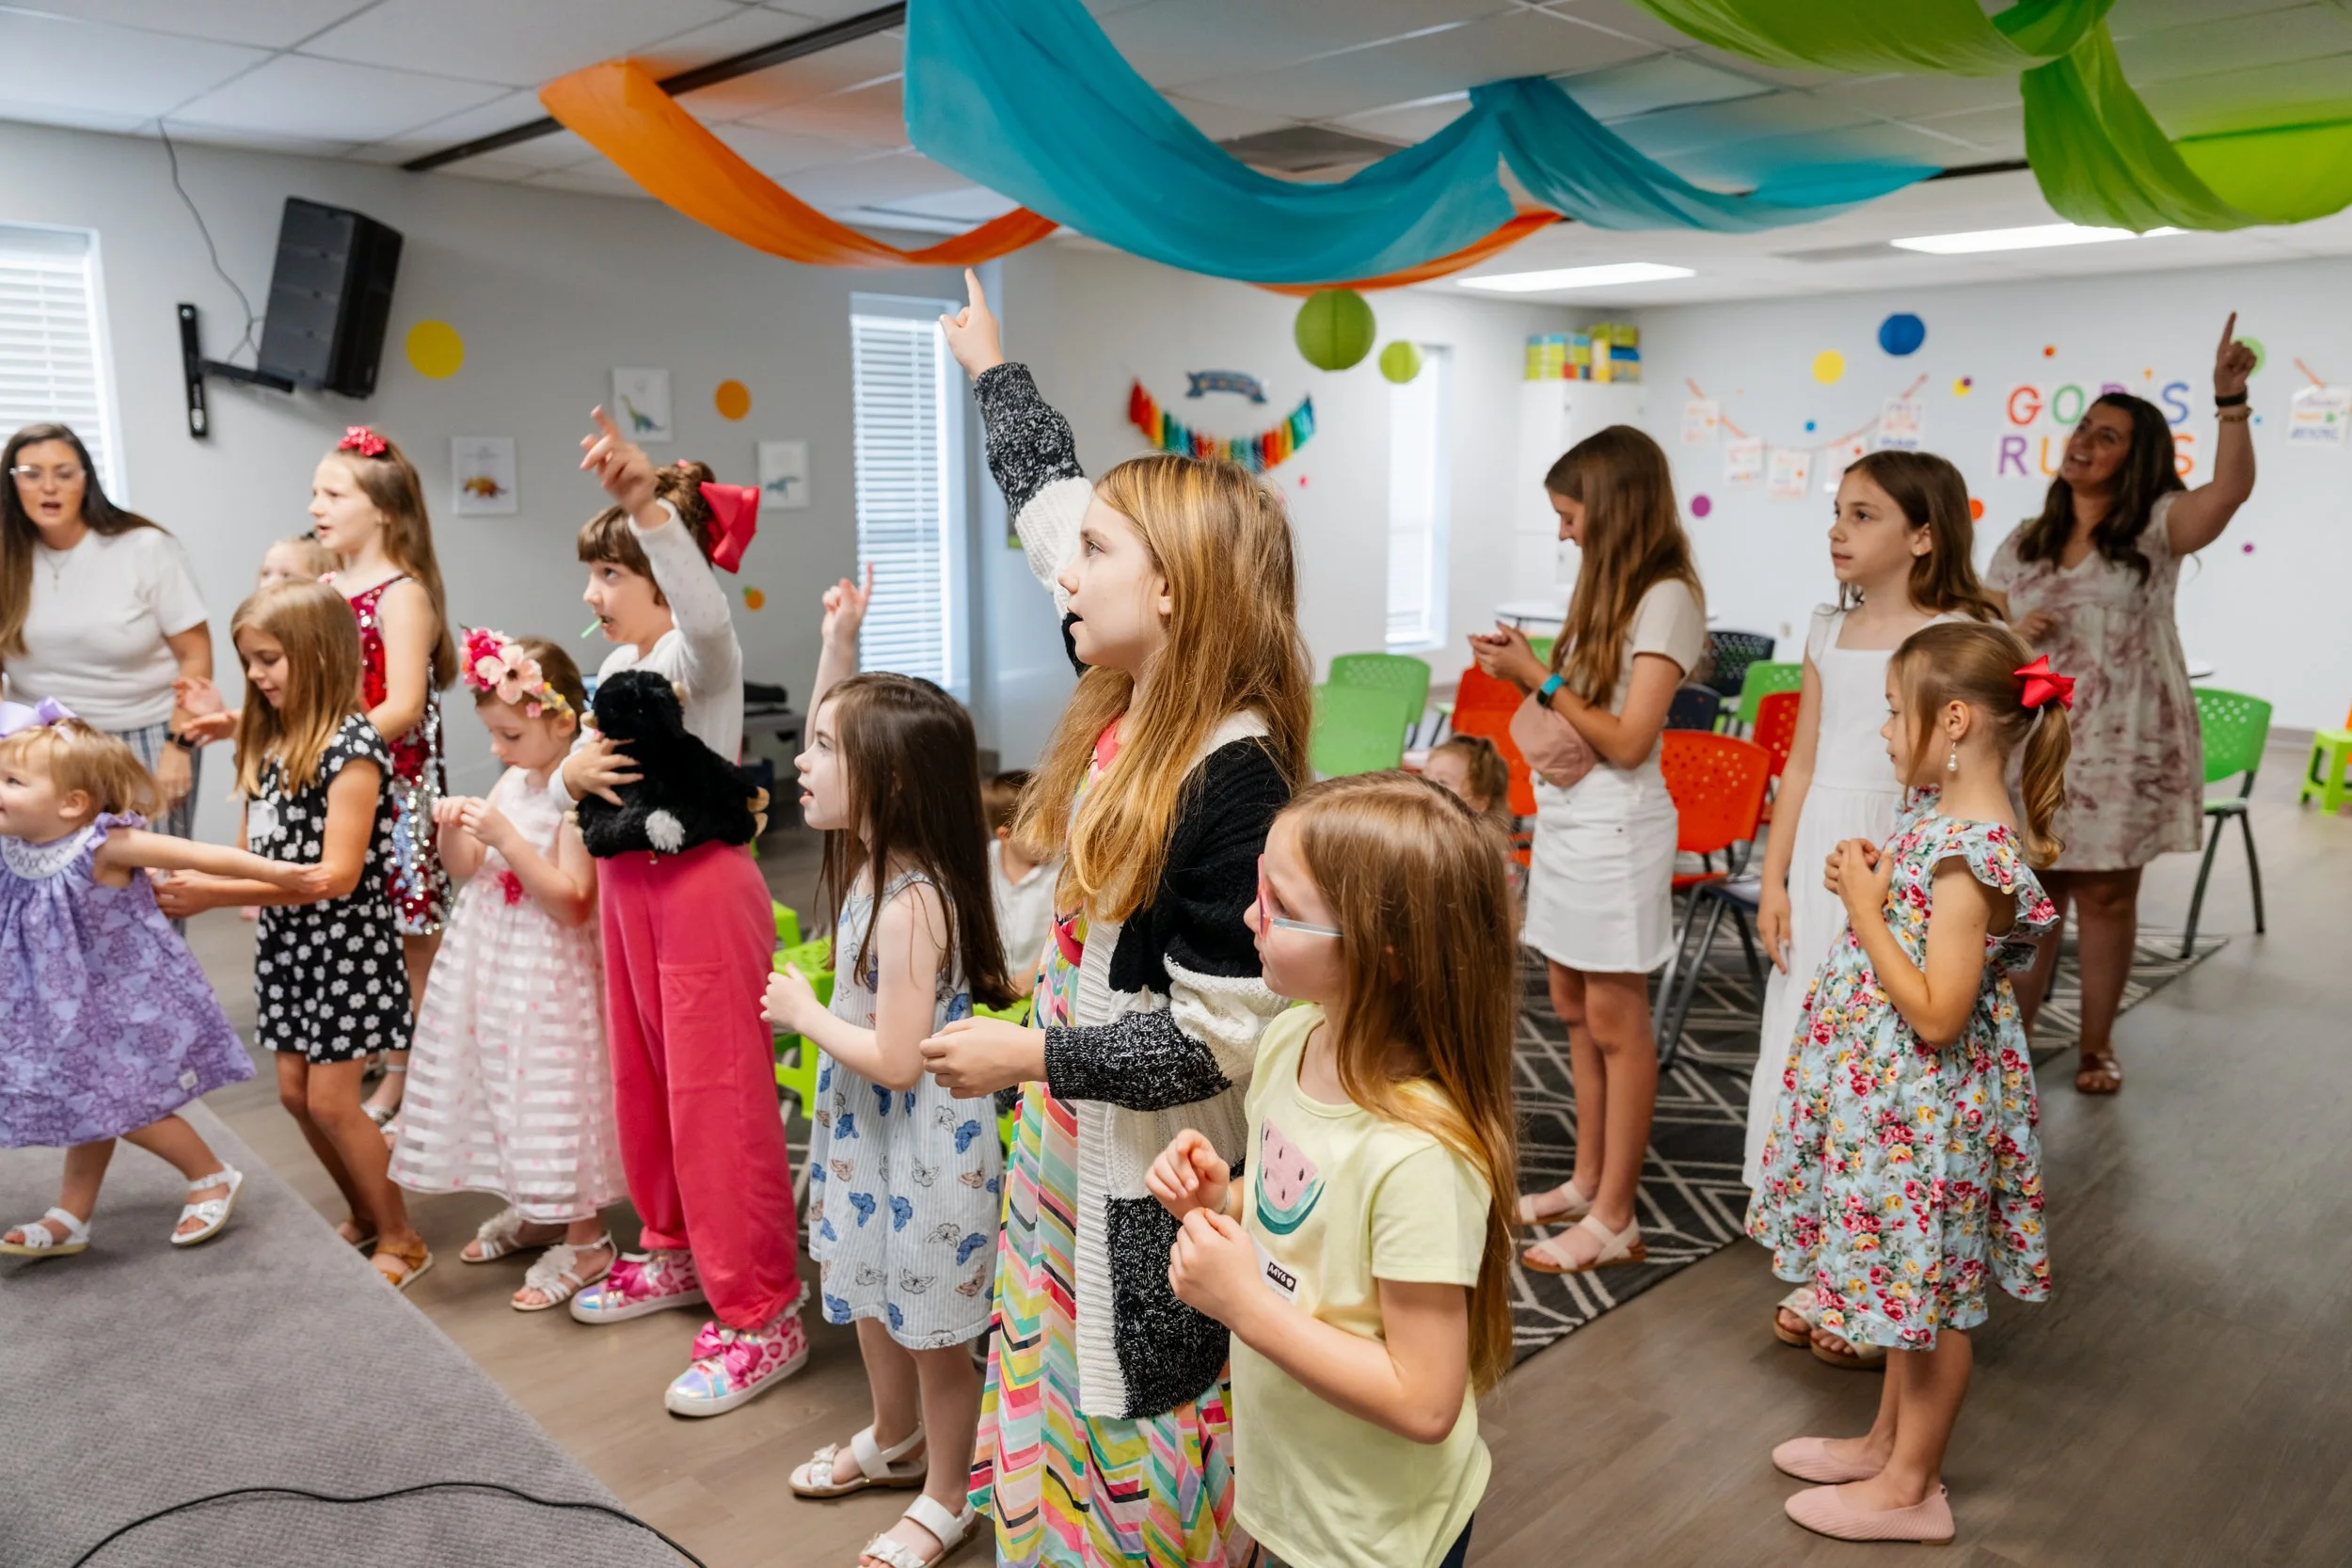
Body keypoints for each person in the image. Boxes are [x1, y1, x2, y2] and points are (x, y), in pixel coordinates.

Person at [918, 270, 1311, 1567]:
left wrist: (1030, 1053)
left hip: (1148, 1161)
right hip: (1073, 1132)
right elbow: (1046, 502)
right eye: (1078, 551)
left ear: (1177, 592)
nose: (1063, 570)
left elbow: (1213, 1042)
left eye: (1097, 555)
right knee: (1061, 1371)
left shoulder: (1234, 776)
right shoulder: (1136, 686)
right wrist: (992, 370)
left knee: (1140, 1397)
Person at [1747, 621, 2065, 1546]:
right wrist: (1878, 884)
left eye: (1894, 712)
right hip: (1898, 1104)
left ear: (1954, 720)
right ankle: (1885, 1444)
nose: (1885, 729)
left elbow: (1936, 1012)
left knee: (1933, 1300)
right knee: (1902, 1282)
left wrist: (1863, 909)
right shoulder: (1937, 821)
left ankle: (1913, 1487)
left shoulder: (1971, 855)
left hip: (1928, 1112)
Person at [1146, 773, 1516, 1568]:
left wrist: (1246, 1305)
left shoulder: (1420, 1157)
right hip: (1298, 1492)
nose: (1250, 916)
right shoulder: (1294, 1039)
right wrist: (1225, 1197)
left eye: (1280, 905)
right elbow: (1304, 1220)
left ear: (1383, 953)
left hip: (1375, 1534)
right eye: (1260, 886)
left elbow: (1425, 1400)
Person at [554, 411, 804, 1420]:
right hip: (629, 888)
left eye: (610, 573)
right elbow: (578, 779)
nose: (592, 593)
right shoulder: (617, 671)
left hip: (700, 886)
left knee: (718, 1097)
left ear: (665, 573)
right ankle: (675, 1247)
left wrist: (645, 509)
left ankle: (762, 1308)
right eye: (594, 573)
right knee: (645, 1081)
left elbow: (706, 621)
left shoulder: (701, 660)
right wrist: (569, 773)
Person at [1747, 451, 2001, 1368]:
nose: (1838, 530)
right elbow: (1801, 760)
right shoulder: (1829, 626)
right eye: (1837, 511)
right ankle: (1827, 1261)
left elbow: (1971, 766)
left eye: (1863, 514)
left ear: (1923, 535)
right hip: (1827, 841)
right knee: (1814, 1052)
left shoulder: (1958, 633)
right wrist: (1774, 877)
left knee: (1882, 1065)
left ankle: (1877, 1271)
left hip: (1898, 848)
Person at [767, 659, 1018, 1568]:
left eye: (824, 748)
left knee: (933, 1334)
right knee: (871, 1299)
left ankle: (948, 1494)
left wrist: (806, 1014)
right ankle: (892, 1434)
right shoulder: (872, 868)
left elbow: (901, 1059)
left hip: (924, 1150)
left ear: (893, 780)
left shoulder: (914, 903)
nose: (802, 763)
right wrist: (837, 641)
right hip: (869, 1142)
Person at [1985, 316, 2257, 1096]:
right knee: (2033, 896)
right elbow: (1985, 622)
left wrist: (2230, 402)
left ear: (2135, 460)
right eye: (2083, 428)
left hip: (2127, 737)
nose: (2084, 443)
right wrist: (2011, 628)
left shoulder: (2158, 524)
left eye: (2107, 437)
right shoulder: (2025, 538)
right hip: (2039, 737)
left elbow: (2230, 490)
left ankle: (2097, 1045)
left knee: (2106, 894)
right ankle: (2011, 1049)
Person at [1469, 426, 1706, 1275]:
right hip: (1573, 819)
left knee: (1616, 1020)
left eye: (1571, 516)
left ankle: (1616, 1215)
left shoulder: (1667, 596)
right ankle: (1586, 1178)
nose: (1564, 532)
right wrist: (1526, 673)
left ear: (1615, 507)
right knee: (1572, 1004)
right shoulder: (1611, 590)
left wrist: (1535, 675)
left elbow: (1631, 740)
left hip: (1618, 828)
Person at [154, 582, 431, 1288]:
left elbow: (336, 876)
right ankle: (364, 1210)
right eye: (249, 661)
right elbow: (253, 851)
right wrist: (190, 873)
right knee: (295, 1095)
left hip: (346, 947)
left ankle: (403, 1237)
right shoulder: (271, 740)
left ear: (318, 655)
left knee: (334, 1101)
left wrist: (213, 894)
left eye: (269, 659)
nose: (256, 675)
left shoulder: (352, 747)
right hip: (288, 944)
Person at [0, 708, 322, 1258]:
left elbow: (196, 854)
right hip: (51, 1006)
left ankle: (211, 1174)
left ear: (71, 803)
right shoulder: (16, 844)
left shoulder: (103, 846)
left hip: (116, 1002)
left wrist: (276, 872)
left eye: (11, 781)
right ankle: (73, 1214)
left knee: (117, 1105)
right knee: (88, 1101)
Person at [389, 630, 625, 1312]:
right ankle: (539, 1205)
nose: (497, 748)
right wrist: (452, 827)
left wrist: (507, 836)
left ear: (561, 723)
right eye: (492, 733)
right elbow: (467, 866)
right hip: (495, 967)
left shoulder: (576, 793)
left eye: (509, 734)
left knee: (557, 1092)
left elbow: (573, 901)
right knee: (506, 1087)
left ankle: (587, 1237)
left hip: (550, 971)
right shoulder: (516, 778)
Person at [310, 426, 460, 1126]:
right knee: (365, 940)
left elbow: (401, 704)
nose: (316, 506)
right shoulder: (323, 589)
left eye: (333, 494)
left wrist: (330, 750)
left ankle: (422, 1086)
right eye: (315, 493)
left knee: (413, 946)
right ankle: (387, 1068)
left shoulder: (402, 594)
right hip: (341, 793)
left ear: (384, 510)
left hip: (398, 799)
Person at [0, 423, 212, 840]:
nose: (49, 487)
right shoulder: (7, 559)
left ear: (86, 481)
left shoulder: (144, 547)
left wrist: (179, 746)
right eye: (31, 474)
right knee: (46, 870)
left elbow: (195, 653)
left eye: (64, 473)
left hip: (146, 737)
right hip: (42, 745)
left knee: (151, 872)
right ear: (12, 484)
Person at [981, 768, 1056, 998]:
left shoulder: (1059, 873)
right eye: (1042, 833)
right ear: (1006, 836)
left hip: (1038, 989)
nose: (1054, 838)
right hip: (988, 988)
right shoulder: (982, 865)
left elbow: (1062, 932)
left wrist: (1032, 974)